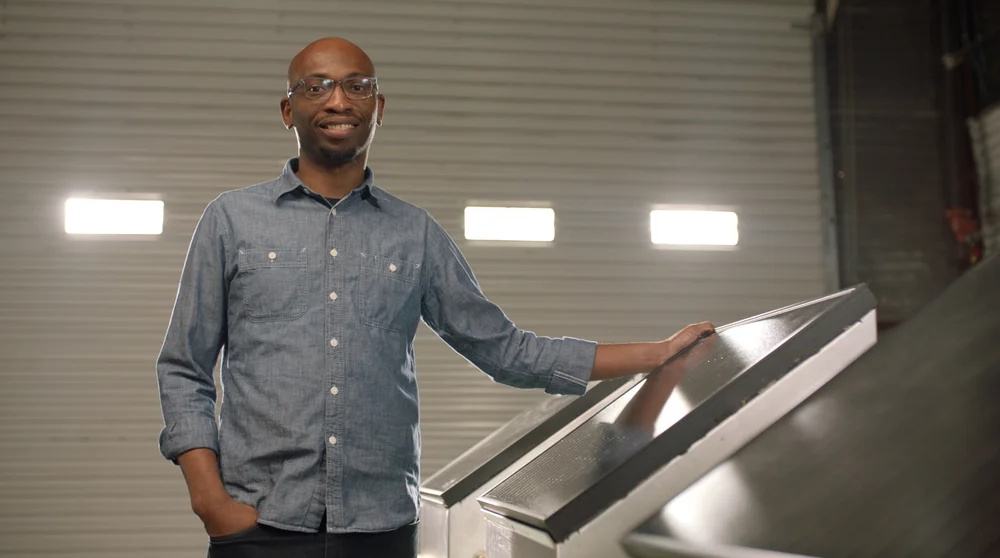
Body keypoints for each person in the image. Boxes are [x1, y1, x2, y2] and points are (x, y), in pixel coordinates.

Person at [155, 37, 715, 558]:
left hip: (381, 531)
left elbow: (505, 351)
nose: (338, 100)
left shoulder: (414, 234)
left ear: (379, 108)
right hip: (261, 529)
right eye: (316, 86)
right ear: (288, 110)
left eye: (357, 85)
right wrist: (212, 503)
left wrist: (657, 353)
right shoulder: (231, 221)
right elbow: (185, 369)